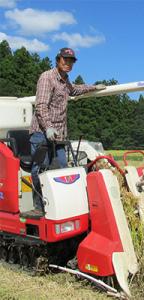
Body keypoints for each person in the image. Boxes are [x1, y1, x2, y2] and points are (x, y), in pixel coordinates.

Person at [28, 47, 105, 217]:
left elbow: (76, 89)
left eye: (71, 61)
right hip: (41, 133)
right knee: (40, 169)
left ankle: (62, 207)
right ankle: (39, 206)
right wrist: (47, 127)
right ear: (58, 60)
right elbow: (40, 105)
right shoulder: (47, 77)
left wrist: (94, 87)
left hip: (59, 136)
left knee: (63, 170)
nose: (68, 63)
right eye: (65, 60)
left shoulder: (65, 81)